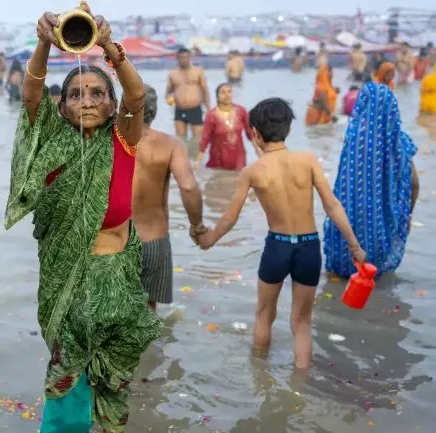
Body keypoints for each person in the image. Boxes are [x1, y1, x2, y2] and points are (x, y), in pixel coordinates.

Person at [3, 3, 160, 431]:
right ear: (63, 106)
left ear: (112, 106)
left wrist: (109, 44)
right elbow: (31, 95)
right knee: (65, 388)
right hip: (66, 288)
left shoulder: (123, 140)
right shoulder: (53, 143)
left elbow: (138, 96)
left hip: (118, 283)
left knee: (114, 391)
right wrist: (43, 42)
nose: (86, 101)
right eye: (75, 94)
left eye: (96, 94)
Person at [197, 97, 366, 369]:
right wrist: (354, 246)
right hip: (309, 247)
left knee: (264, 314)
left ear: (254, 133)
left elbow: (230, 216)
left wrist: (209, 240)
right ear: (288, 128)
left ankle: (259, 375)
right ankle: (301, 383)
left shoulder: (252, 171)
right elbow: (332, 205)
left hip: (277, 247)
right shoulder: (308, 160)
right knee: (301, 322)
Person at [324, 83, 419, 279]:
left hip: (347, 225)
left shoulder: (353, 139)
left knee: (339, 280)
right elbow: (414, 183)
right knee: (376, 277)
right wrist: (407, 214)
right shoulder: (400, 143)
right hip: (382, 225)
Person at [134, 85, 205, 311]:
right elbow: (188, 187)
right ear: (153, 112)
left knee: (112, 313)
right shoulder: (170, 144)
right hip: (154, 240)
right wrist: (198, 226)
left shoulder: (107, 142)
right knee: (148, 312)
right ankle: (151, 349)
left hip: (115, 243)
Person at [195, 83, 253, 170]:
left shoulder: (241, 111)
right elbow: (205, 139)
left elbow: (250, 133)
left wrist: (260, 152)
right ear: (217, 97)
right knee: (219, 181)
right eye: (223, 93)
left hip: (239, 158)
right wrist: (198, 162)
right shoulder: (211, 115)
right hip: (218, 159)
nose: (227, 95)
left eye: (229, 92)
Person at [166, 47, 210, 143]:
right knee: (180, 140)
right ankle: (183, 157)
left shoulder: (198, 71)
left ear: (190, 57)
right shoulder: (172, 74)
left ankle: (194, 157)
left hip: (195, 109)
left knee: (197, 140)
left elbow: (205, 91)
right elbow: (168, 92)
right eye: (181, 57)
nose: (184, 60)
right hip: (179, 109)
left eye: (186, 57)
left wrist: (208, 109)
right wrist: (169, 99)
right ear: (177, 58)